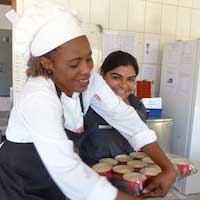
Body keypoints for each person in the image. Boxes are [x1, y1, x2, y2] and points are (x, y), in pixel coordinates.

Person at [0, 1, 168, 200]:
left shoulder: (89, 81)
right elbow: (67, 171)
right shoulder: (38, 97)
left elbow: (124, 117)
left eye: (88, 58)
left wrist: (168, 168)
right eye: (74, 64)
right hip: (21, 188)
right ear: (47, 63)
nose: (86, 69)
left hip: (56, 185)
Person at [78, 51, 147, 165]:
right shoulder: (88, 106)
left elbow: (142, 141)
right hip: (94, 175)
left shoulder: (138, 106)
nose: (124, 85)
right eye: (116, 77)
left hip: (130, 175)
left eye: (130, 79)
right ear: (102, 74)